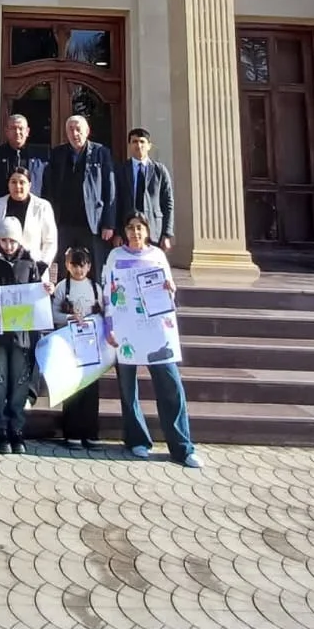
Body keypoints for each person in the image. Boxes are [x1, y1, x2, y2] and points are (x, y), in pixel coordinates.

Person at [103, 214, 201, 468]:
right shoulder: (115, 256)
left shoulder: (157, 255)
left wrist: (170, 288)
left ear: (147, 230)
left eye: (139, 228)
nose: (135, 232)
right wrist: (109, 326)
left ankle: (182, 447)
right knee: (128, 388)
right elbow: (107, 292)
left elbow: (169, 288)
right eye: (130, 227)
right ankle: (136, 439)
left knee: (170, 385)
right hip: (126, 329)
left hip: (156, 329)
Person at [0, 217, 42, 454]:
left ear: (19, 240)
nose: (8, 245)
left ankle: (17, 427)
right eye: (4, 240)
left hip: (21, 335)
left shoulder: (29, 263)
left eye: (12, 240)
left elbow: (37, 294)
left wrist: (45, 290)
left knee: (20, 380)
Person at [43, 114, 117, 277]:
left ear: (87, 131)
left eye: (78, 129)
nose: (75, 133)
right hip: (63, 221)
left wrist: (109, 223)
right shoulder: (58, 153)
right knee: (63, 267)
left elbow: (109, 188)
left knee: (94, 267)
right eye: (71, 129)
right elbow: (48, 187)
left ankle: (95, 293)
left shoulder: (101, 152)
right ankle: (64, 293)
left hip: (92, 222)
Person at [52, 247, 104, 449]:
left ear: (89, 267)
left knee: (91, 389)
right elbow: (52, 314)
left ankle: (91, 432)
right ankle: (71, 432)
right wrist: (69, 317)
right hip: (69, 344)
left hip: (91, 346)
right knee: (72, 388)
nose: (79, 270)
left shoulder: (95, 288)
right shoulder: (62, 287)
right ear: (67, 265)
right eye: (74, 265)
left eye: (83, 266)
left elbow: (104, 313)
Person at [0, 167, 58, 278]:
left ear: (30, 185)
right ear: (8, 184)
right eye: (13, 182)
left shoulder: (43, 206)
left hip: (34, 271)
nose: (17, 186)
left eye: (22, 182)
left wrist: (40, 267)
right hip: (1, 273)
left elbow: (50, 242)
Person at [117, 128, 175, 253]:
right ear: (129, 145)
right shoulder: (120, 170)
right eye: (134, 142)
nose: (138, 145)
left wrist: (167, 234)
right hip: (128, 232)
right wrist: (117, 233)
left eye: (142, 142)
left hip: (154, 231)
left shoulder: (160, 170)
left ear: (149, 145)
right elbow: (115, 203)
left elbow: (168, 203)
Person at [0, 113, 46, 213]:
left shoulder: (41, 156)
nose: (17, 132)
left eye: (21, 128)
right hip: (3, 210)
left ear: (27, 131)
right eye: (13, 128)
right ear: (6, 131)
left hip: (33, 211)